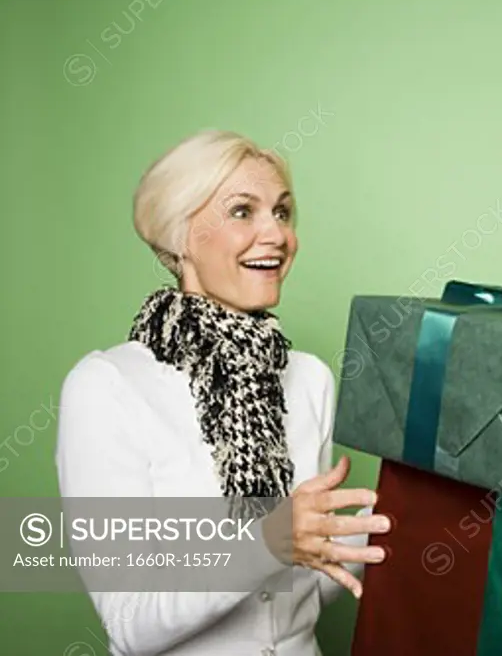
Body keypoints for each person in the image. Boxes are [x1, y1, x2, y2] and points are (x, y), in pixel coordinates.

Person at [55, 130, 392, 655]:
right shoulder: (108, 386)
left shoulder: (310, 379)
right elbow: (130, 624)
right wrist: (269, 542)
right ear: (179, 236)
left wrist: (391, 525)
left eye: (282, 212)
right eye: (242, 211)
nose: (276, 235)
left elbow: (298, 594)